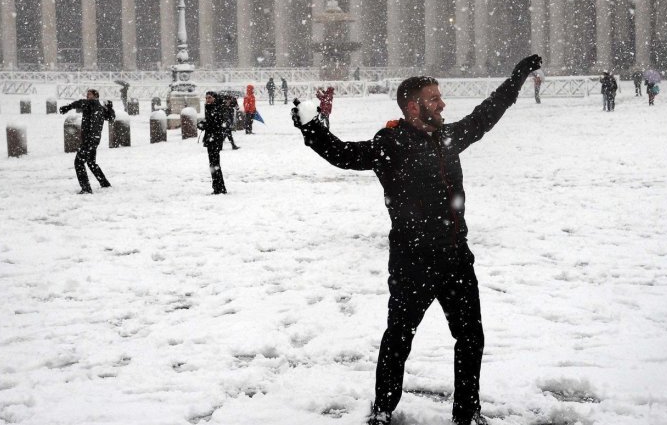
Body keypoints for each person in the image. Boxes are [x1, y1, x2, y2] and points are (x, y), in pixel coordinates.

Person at [291, 54, 543, 425]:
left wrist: (517, 78)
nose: (442, 104)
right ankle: (382, 409)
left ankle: (467, 413)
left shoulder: (448, 136)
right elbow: (344, 155)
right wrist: (311, 128)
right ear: (413, 106)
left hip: (457, 256)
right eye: (434, 99)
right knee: (399, 338)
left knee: (471, 337)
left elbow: (486, 115)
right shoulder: (391, 142)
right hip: (413, 262)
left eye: (440, 98)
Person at [60, 89, 115, 194]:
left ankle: (86, 188)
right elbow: (111, 117)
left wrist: (68, 107)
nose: (87, 96)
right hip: (95, 139)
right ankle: (104, 183)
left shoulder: (90, 104)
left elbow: (80, 102)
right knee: (91, 162)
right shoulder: (101, 108)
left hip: (89, 140)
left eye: (89, 95)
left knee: (79, 162)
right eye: (87, 95)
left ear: (95, 96)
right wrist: (109, 108)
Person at [197, 92, 229, 194]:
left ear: (214, 98)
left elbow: (216, 124)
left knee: (215, 164)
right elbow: (211, 122)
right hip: (211, 139)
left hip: (215, 139)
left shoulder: (217, 108)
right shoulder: (209, 107)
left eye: (209, 98)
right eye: (206, 98)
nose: (207, 100)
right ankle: (217, 187)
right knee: (213, 164)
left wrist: (204, 125)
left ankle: (219, 187)